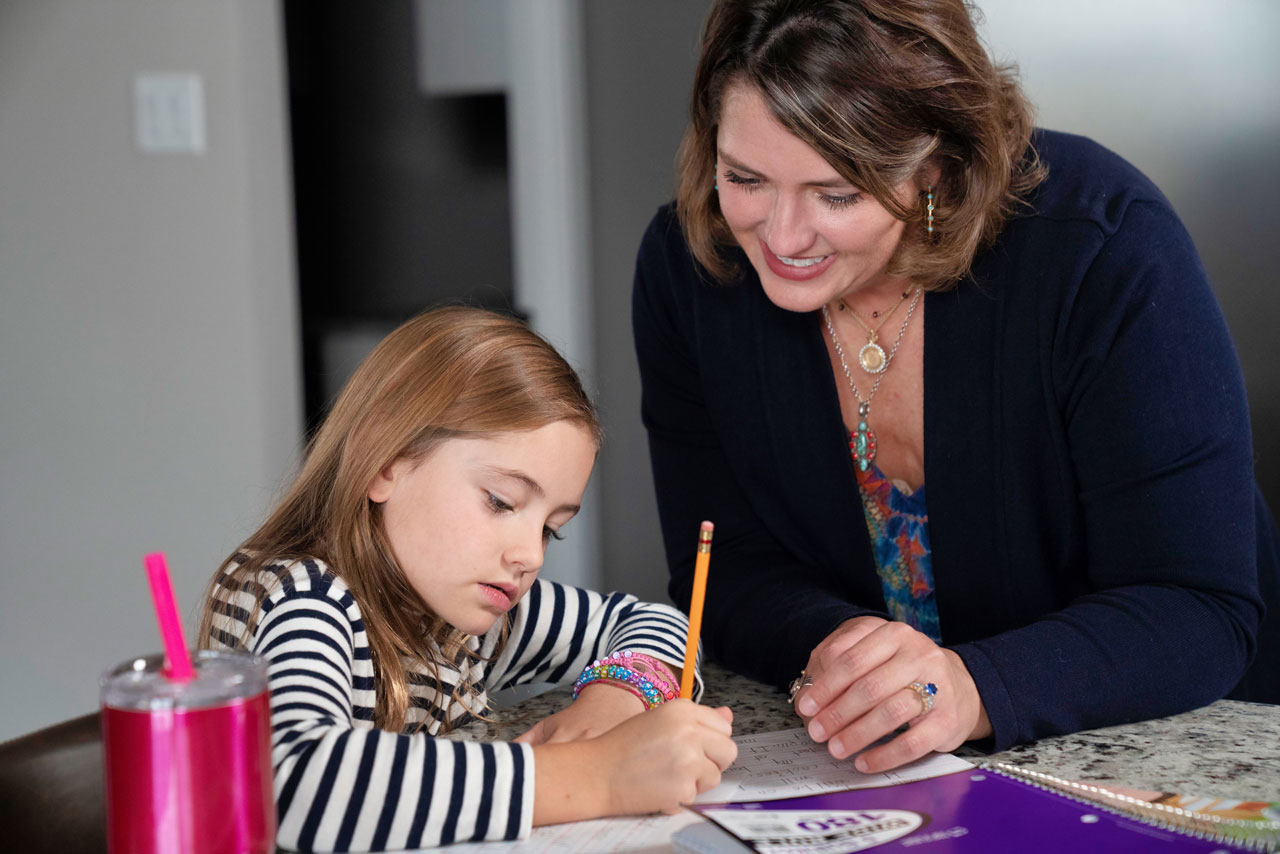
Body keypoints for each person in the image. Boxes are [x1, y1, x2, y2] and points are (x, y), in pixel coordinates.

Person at [633, 0, 1279, 777]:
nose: (782, 236)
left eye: (836, 193)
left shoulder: (1101, 246)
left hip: (1191, 756)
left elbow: (1196, 605)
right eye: (745, 178)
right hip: (892, 764)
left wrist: (972, 688)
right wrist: (855, 659)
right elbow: (725, 566)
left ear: (937, 165)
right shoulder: (689, 270)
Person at [199, 306, 737, 853]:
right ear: (387, 461)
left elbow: (652, 621)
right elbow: (291, 784)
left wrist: (620, 693)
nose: (529, 555)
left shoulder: (465, 618)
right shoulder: (307, 598)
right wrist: (597, 776)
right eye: (501, 502)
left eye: (552, 529)